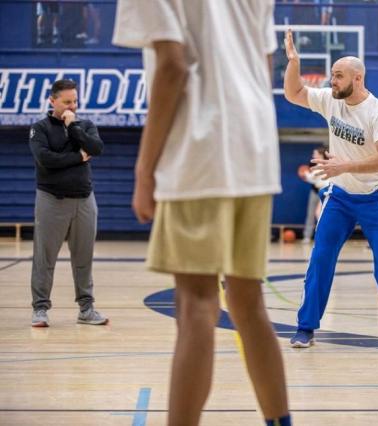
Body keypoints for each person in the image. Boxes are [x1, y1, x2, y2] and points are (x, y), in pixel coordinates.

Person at [112, 2, 291, 426]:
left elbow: (171, 67)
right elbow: (264, 64)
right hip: (255, 148)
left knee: (195, 305)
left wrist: (144, 169)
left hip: (200, 150)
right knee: (249, 304)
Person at [283, 29, 378, 350]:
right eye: (332, 75)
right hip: (340, 197)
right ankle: (305, 327)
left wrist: (343, 166)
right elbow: (294, 93)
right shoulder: (330, 101)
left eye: (338, 76)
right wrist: (293, 62)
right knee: (320, 259)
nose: (332, 81)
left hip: (375, 197)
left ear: (357, 79)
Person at [29, 79, 107, 327]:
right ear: (53, 101)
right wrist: (78, 157)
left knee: (84, 257)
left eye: (75, 100)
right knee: (45, 258)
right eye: (67, 102)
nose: (72, 105)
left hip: (84, 200)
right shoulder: (39, 128)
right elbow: (45, 160)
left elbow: (96, 148)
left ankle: (86, 308)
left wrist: (73, 127)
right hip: (51, 201)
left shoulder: (85, 125)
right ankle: (40, 309)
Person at [300, 146, 330, 244]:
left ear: (320, 155)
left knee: (320, 214)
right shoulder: (315, 165)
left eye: (315, 153)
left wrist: (305, 174)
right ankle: (309, 236)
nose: (313, 155)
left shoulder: (323, 165)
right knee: (314, 213)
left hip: (325, 192)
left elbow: (312, 177)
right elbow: (313, 179)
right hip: (316, 191)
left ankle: (325, 235)